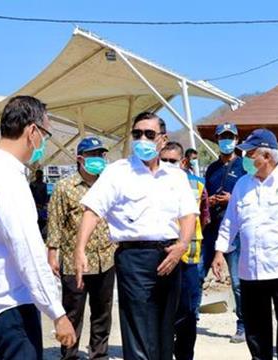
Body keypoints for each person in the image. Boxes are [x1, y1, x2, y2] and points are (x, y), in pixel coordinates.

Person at [74, 112, 198, 360]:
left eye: (149, 134)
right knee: (139, 329)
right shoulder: (118, 172)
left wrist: (182, 244)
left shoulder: (176, 176)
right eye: (137, 134)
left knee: (165, 327)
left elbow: (188, 215)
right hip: (134, 257)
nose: (142, 139)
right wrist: (80, 249)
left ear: (162, 139)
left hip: (170, 255)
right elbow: (92, 210)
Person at [0, 96, 76, 359]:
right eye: (46, 135)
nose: (44, 144)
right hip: (11, 305)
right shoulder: (6, 181)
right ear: (33, 131)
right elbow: (27, 251)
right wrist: (57, 313)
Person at [211, 128, 278, 360]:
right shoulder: (242, 185)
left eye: (251, 154)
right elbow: (231, 221)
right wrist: (220, 251)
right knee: (256, 330)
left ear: (266, 156)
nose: (247, 159)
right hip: (250, 270)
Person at [46, 136, 116, 360]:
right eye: (93, 155)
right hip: (75, 262)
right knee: (73, 312)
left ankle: (99, 354)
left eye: (101, 155)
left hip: (106, 258)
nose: (98, 159)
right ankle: (69, 354)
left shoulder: (108, 184)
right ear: (80, 159)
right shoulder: (65, 187)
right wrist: (52, 254)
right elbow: (55, 222)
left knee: (102, 313)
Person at [160, 141, 210, 360]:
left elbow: (205, 216)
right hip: (162, 257)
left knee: (187, 312)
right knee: (162, 310)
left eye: (173, 161)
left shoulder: (198, 185)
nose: (168, 165)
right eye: (164, 160)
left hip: (189, 257)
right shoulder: (152, 183)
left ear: (182, 162)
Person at [202, 122, 246, 343]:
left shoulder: (244, 167)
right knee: (198, 274)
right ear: (217, 140)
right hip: (211, 230)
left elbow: (251, 197)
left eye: (230, 137)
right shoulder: (211, 168)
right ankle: (188, 319)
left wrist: (232, 199)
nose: (226, 141)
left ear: (237, 140)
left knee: (238, 282)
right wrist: (208, 201)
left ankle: (243, 325)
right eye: (222, 137)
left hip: (234, 233)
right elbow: (204, 196)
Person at [31, 169, 49, 238]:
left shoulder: (44, 185)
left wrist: (44, 204)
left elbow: (45, 196)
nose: (39, 176)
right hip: (34, 205)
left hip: (42, 206)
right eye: (37, 174)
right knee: (35, 219)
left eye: (40, 174)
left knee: (43, 220)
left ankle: (41, 232)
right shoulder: (32, 184)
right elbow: (31, 195)